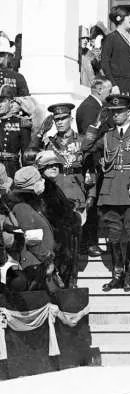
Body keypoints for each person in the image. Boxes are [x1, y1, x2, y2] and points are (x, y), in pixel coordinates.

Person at [81, 94, 130, 292]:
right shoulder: (106, 136)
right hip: (110, 191)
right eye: (113, 112)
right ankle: (117, 275)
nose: (116, 115)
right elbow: (85, 147)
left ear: (128, 112)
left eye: (119, 112)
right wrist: (97, 123)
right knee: (113, 235)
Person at [40, 102, 99, 257]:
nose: (59, 122)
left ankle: (71, 278)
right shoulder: (48, 143)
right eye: (56, 119)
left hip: (76, 193)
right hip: (56, 193)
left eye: (63, 118)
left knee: (74, 240)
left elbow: (90, 169)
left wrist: (91, 195)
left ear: (70, 119)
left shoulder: (82, 141)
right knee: (57, 240)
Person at [3, 166, 56, 291]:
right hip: (32, 266)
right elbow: (33, 238)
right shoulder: (23, 207)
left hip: (35, 264)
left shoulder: (29, 205)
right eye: (39, 180)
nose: (42, 183)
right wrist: (46, 259)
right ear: (33, 185)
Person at [35, 150, 82, 288]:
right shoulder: (43, 187)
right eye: (49, 166)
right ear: (41, 168)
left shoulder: (52, 186)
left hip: (61, 240)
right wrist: (73, 218)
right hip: (54, 242)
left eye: (56, 165)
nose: (54, 167)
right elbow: (48, 214)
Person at [100, 6, 130, 124]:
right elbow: (105, 62)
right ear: (119, 18)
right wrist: (113, 84)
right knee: (123, 119)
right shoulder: (111, 38)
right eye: (128, 16)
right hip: (121, 85)